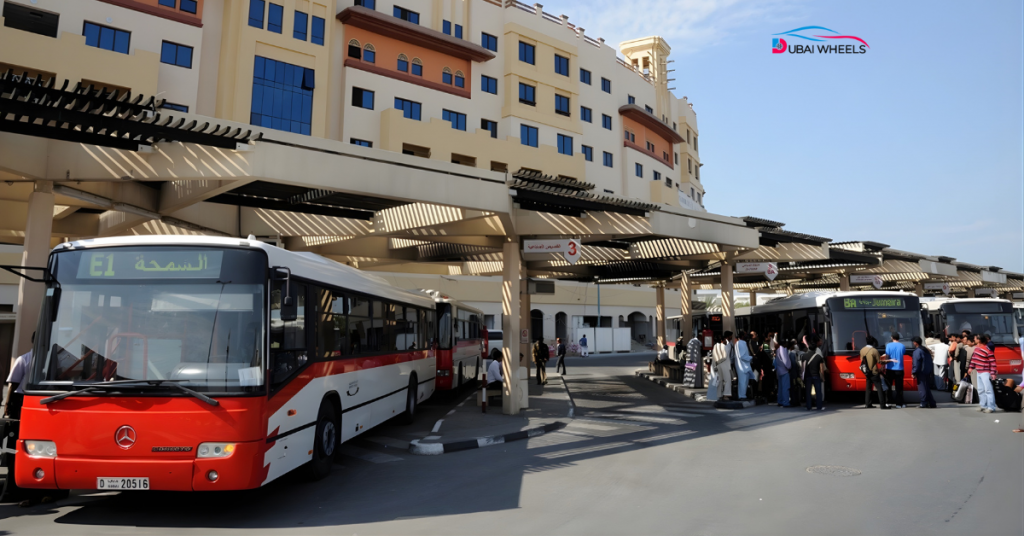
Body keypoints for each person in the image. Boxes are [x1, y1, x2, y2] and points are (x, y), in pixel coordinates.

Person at [2, 332, 34, 421]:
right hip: (20, 398)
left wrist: (7, 404)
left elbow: (14, 384)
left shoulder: (24, 358)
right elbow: (14, 383)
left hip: (24, 397)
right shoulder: (23, 359)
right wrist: (8, 403)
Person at [967, 334, 997, 413]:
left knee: (988, 390)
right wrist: (971, 367)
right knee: (980, 390)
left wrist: (993, 373)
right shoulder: (976, 349)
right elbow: (974, 359)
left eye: (975, 338)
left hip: (985, 372)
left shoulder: (987, 349)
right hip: (979, 371)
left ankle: (991, 407)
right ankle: (983, 405)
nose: (974, 339)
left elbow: (993, 362)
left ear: (979, 340)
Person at [860, 336, 889, 409]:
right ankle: (882, 405)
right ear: (873, 342)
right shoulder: (874, 350)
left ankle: (868, 404)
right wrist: (886, 360)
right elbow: (879, 361)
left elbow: (862, 360)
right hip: (874, 371)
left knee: (868, 388)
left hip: (866, 371)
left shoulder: (862, 350)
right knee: (879, 388)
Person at [881, 333, 906, 408]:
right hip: (900, 369)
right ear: (899, 338)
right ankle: (899, 403)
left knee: (888, 386)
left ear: (892, 337)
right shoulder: (902, 346)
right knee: (899, 387)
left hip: (890, 368)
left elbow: (887, 356)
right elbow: (903, 353)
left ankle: (888, 402)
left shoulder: (888, 345)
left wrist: (883, 365)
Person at [911, 337, 937, 408]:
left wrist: (914, 372)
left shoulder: (917, 351)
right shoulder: (925, 350)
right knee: (926, 387)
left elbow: (916, 363)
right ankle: (932, 403)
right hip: (927, 371)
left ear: (915, 343)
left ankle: (923, 402)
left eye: (913, 342)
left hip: (921, 372)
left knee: (922, 388)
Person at [804, 335, 826, 411]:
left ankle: (808, 406)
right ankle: (819, 407)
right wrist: (823, 378)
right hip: (816, 376)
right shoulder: (819, 357)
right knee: (818, 392)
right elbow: (821, 369)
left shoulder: (804, 356)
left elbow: (802, 367)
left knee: (808, 392)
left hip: (807, 376)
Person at [712, 332, 734, 401]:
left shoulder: (715, 346)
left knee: (720, 380)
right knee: (727, 380)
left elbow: (714, 357)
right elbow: (725, 356)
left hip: (718, 365)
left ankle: (719, 394)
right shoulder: (726, 346)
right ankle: (726, 394)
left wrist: (715, 365)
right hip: (725, 364)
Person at [735, 332, 754, 400]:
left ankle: (743, 395)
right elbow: (742, 356)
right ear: (742, 336)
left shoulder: (739, 343)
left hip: (742, 365)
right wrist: (751, 358)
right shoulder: (742, 343)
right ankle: (742, 396)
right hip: (743, 366)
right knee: (743, 382)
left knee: (743, 381)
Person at [776, 335, 792, 407]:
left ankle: (780, 400)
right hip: (784, 371)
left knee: (780, 387)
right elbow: (786, 361)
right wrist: (789, 367)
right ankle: (786, 402)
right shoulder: (784, 350)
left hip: (779, 370)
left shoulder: (778, 349)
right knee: (786, 387)